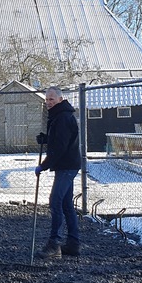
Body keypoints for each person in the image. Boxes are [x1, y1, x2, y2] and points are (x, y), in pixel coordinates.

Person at [34, 86, 81, 259]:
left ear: (60, 99)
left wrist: (44, 165)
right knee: (66, 204)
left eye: (51, 99)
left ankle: (54, 244)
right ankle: (73, 244)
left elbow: (61, 146)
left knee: (55, 201)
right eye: (46, 99)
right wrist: (46, 139)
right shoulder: (59, 115)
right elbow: (60, 139)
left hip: (66, 165)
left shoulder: (62, 117)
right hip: (67, 164)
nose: (48, 102)